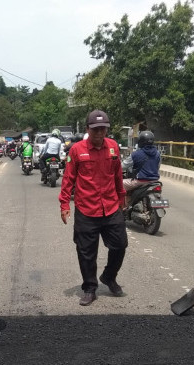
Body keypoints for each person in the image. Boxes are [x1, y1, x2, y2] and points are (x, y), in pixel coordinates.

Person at [59, 110, 128, 306]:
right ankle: (90, 288)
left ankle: (109, 276)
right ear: (88, 129)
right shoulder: (77, 150)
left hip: (110, 206)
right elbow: (68, 179)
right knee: (86, 251)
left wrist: (121, 197)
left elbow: (117, 175)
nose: (99, 133)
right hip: (86, 209)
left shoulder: (113, 147)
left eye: (103, 129)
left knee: (120, 244)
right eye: (96, 129)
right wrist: (64, 204)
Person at [123, 130, 161, 206]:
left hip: (141, 181)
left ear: (141, 142)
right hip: (155, 181)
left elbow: (123, 166)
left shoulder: (136, 154)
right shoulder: (157, 153)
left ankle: (125, 206)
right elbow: (158, 166)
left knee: (120, 184)